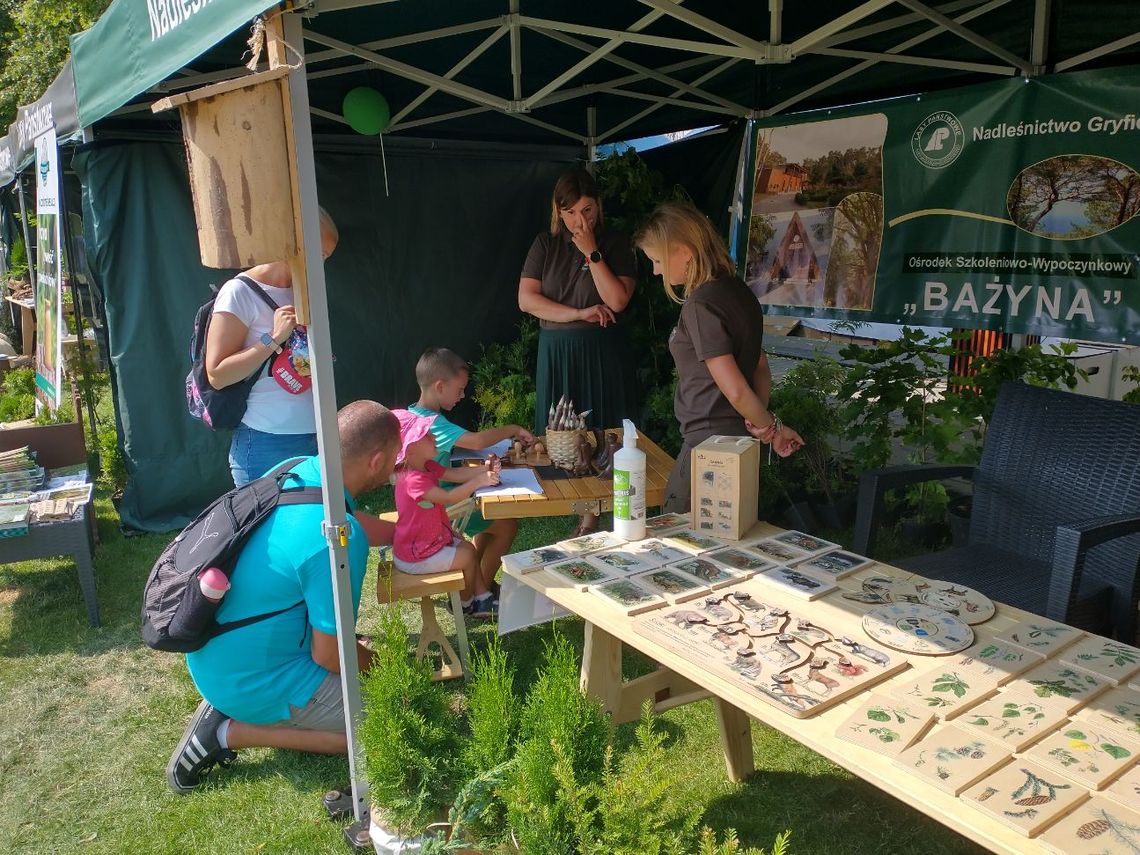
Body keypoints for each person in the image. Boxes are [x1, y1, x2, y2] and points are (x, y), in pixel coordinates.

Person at [167, 400, 401, 795]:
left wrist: (402, 533)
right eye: (395, 460)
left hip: (215, 648)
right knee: (384, 722)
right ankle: (226, 732)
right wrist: (387, 673)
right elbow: (329, 654)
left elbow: (348, 517)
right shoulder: (336, 539)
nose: (396, 469)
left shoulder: (296, 468)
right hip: (250, 678)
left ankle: (232, 703)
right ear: (376, 461)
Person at [635, 201, 804, 513]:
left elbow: (737, 389)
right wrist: (761, 424)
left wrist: (768, 427)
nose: (656, 270)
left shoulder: (700, 305)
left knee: (678, 543)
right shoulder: (739, 292)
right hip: (738, 446)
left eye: (657, 259)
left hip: (707, 446)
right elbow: (760, 366)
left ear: (684, 252)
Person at [518, 169, 637, 536]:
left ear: (598, 206)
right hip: (557, 349)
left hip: (599, 349)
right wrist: (578, 313)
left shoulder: (614, 243)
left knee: (601, 431)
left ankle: (597, 513)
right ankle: (572, 502)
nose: (579, 220)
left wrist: (592, 253)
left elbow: (617, 300)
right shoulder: (545, 244)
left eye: (586, 211)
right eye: (570, 213)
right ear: (558, 211)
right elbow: (527, 300)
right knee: (562, 434)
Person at [205, 207, 339, 486]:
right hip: (265, 443)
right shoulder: (239, 292)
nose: (321, 264)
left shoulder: (305, 290)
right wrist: (273, 338)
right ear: (292, 244)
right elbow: (217, 374)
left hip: (316, 436)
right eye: (319, 255)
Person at [409, 347, 532, 603]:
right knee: (507, 525)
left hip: (430, 503)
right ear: (440, 386)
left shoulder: (414, 413)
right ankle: (481, 594)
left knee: (493, 519)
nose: (463, 396)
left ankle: (477, 585)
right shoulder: (432, 424)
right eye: (460, 389)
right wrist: (513, 428)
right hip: (439, 508)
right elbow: (475, 442)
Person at [391, 408, 501, 618]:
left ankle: (482, 598)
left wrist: (484, 469)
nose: (433, 437)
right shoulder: (413, 480)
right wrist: (479, 481)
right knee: (468, 556)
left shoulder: (426, 466)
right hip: (416, 555)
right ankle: (463, 603)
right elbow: (448, 497)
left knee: (468, 548)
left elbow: (456, 473)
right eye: (426, 435)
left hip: (430, 541)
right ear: (410, 447)